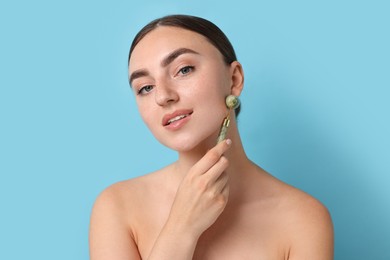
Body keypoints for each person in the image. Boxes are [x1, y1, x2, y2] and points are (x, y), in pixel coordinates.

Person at [89, 14, 334, 259]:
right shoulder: (117, 207)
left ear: (234, 79)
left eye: (183, 70)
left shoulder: (303, 218)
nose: (163, 96)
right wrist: (181, 228)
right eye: (145, 87)